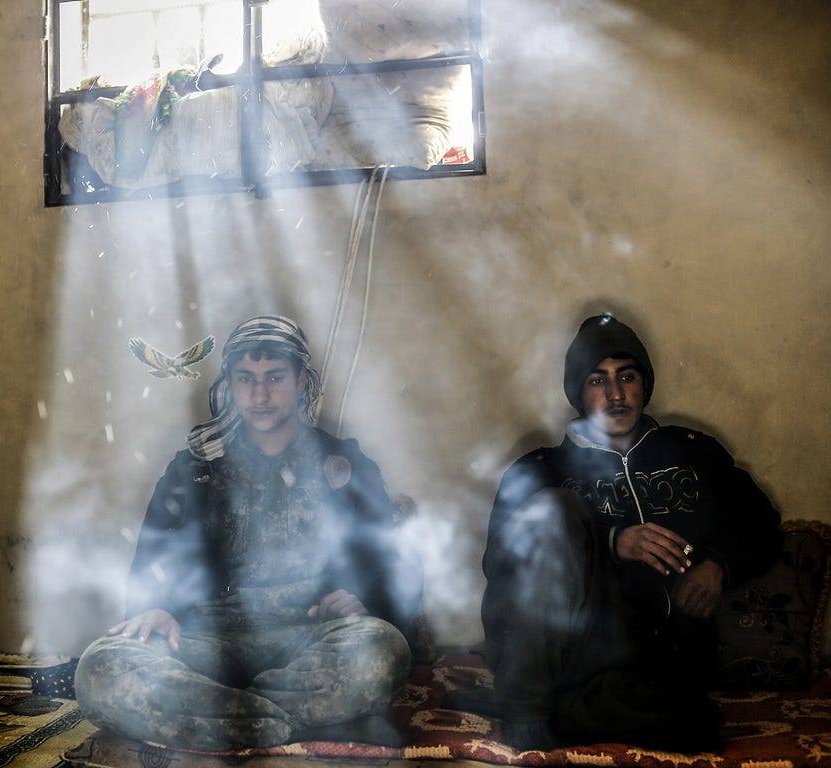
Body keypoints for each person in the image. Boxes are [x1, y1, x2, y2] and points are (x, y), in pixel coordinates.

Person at [75, 315, 421, 751]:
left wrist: (363, 601)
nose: (259, 394)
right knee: (100, 667)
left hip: (308, 638)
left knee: (383, 649)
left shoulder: (344, 465)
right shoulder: (192, 470)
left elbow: (391, 562)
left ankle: (218, 718)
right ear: (230, 384)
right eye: (245, 379)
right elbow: (152, 561)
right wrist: (156, 607)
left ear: (301, 381)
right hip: (201, 638)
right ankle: (284, 719)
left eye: (274, 377)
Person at [449, 314, 782, 753]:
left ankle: (547, 707)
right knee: (555, 508)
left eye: (627, 376)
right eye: (597, 380)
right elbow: (501, 564)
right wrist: (610, 540)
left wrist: (717, 565)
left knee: (696, 725)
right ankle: (527, 708)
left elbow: (762, 521)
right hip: (572, 651)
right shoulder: (541, 469)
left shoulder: (692, 453)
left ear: (644, 384)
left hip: (662, 656)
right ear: (578, 393)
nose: (615, 394)